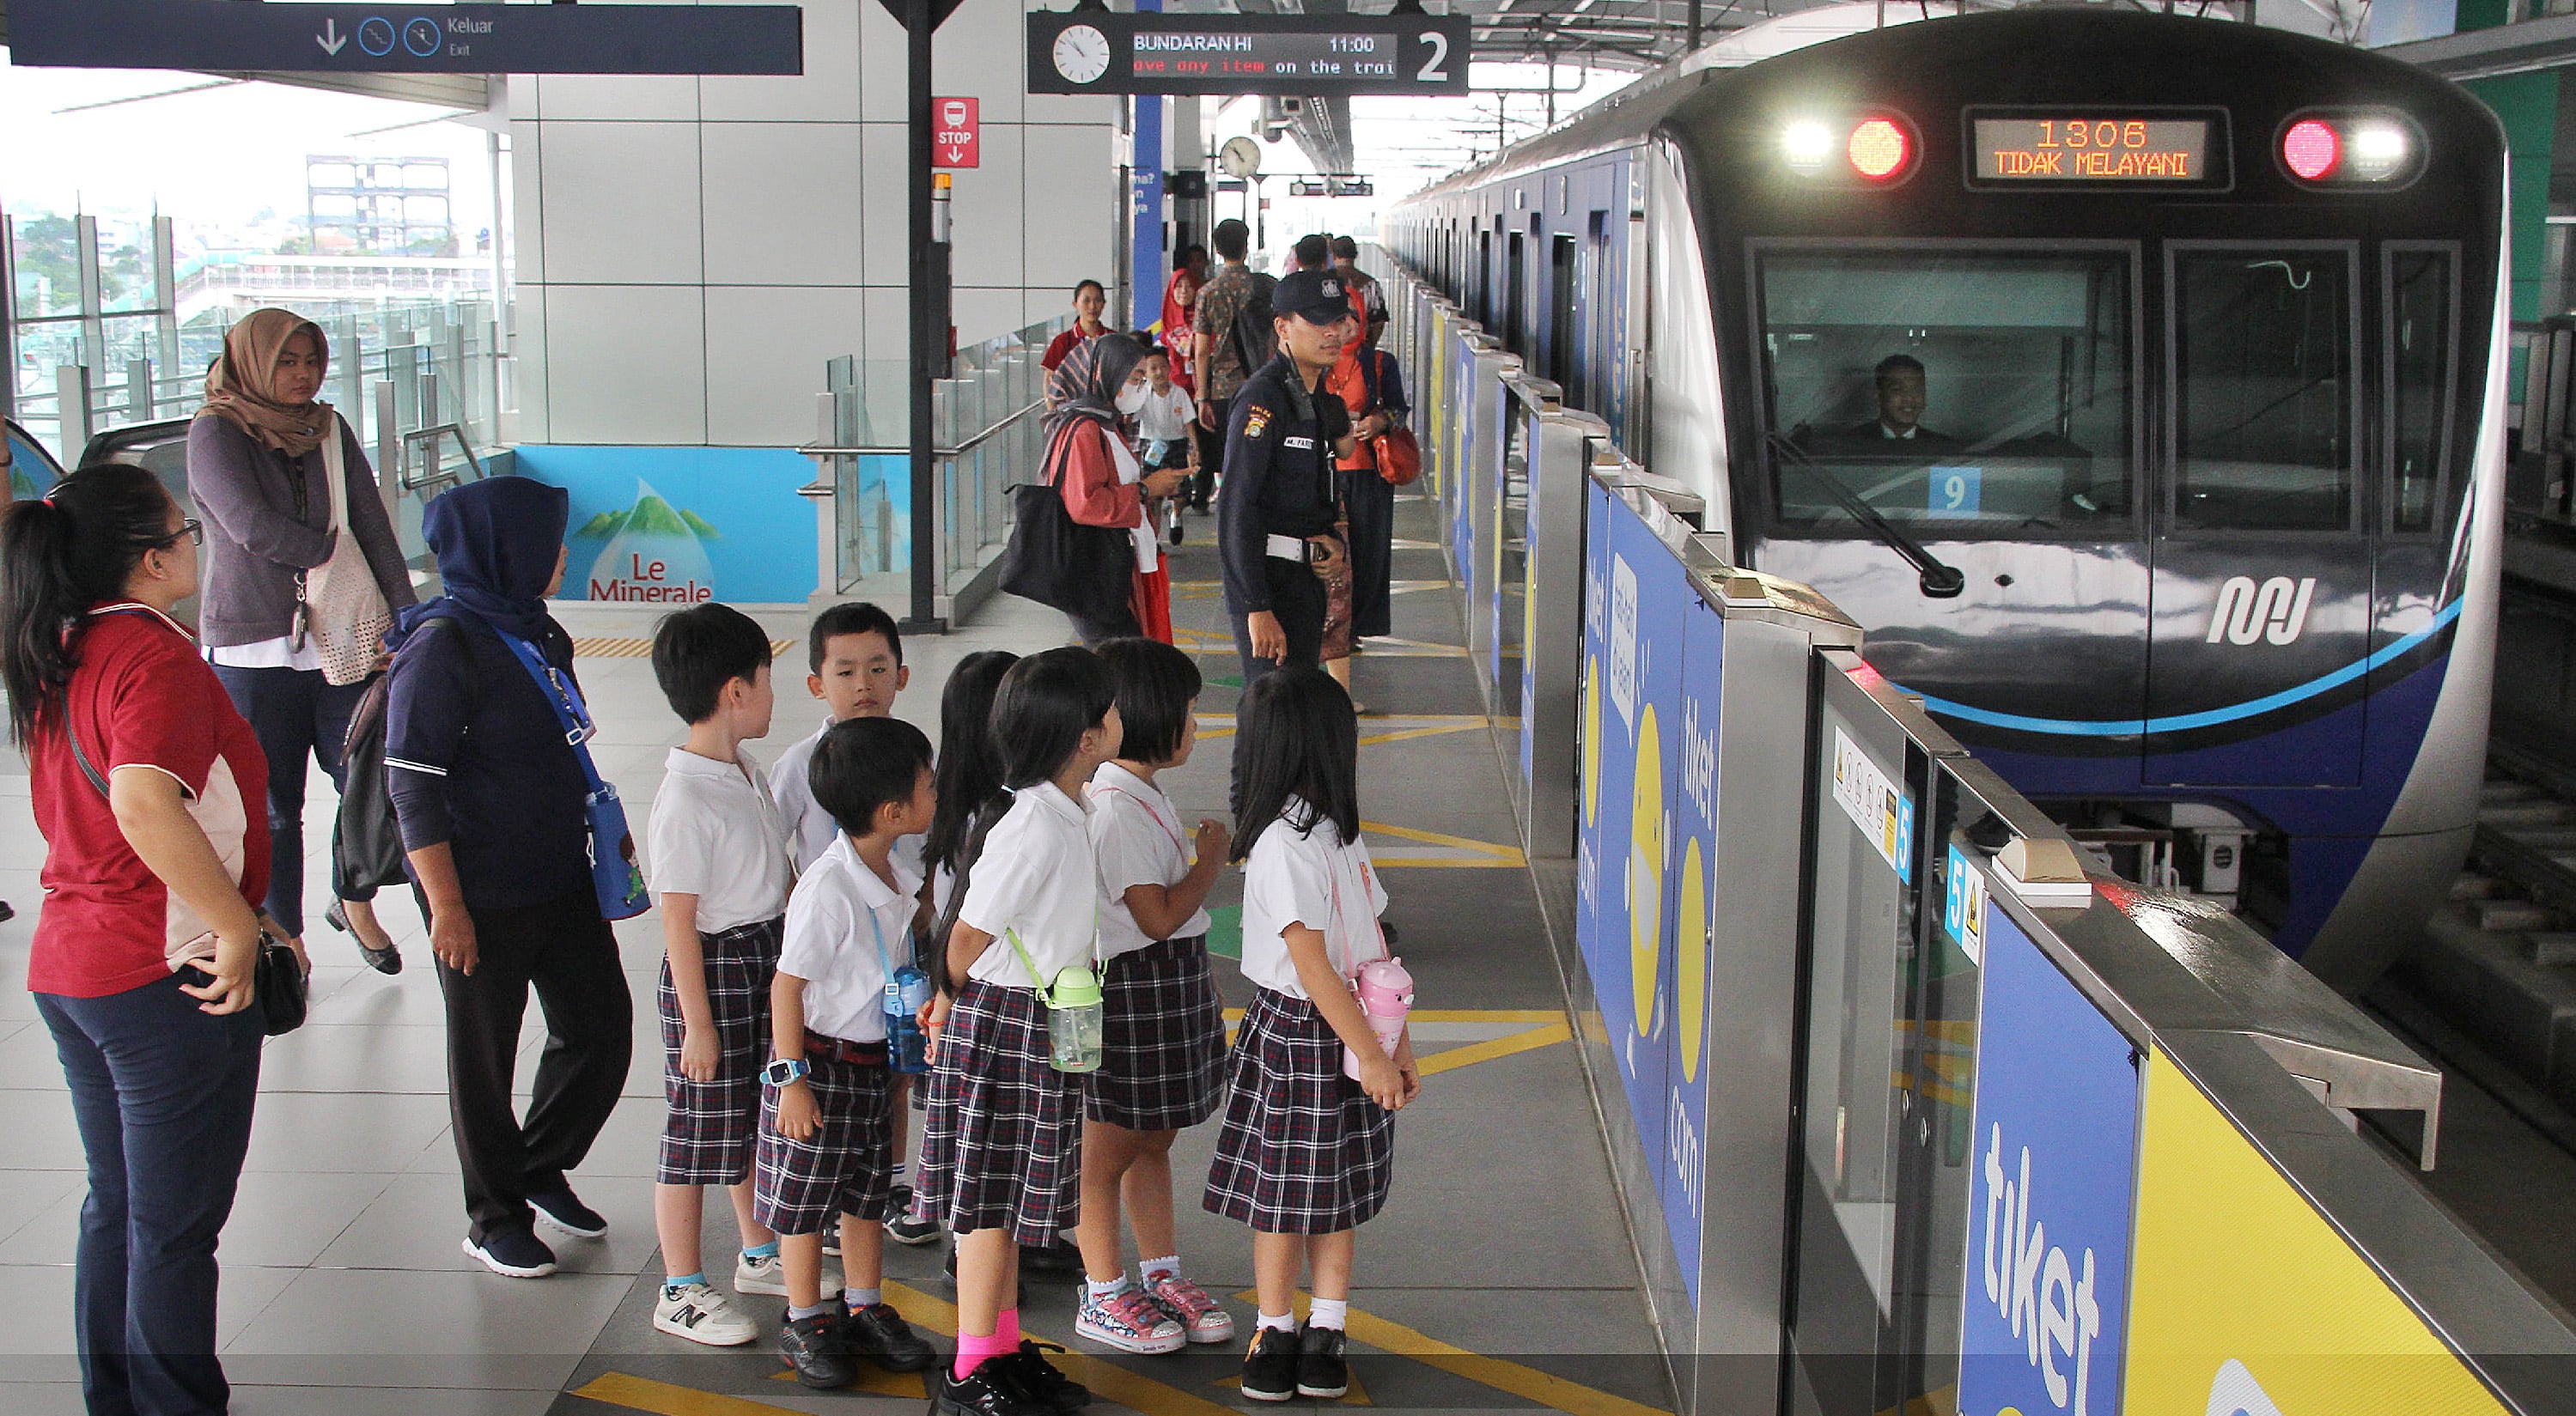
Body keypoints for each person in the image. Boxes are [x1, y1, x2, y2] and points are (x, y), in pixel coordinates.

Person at [3, 463, 292, 1416]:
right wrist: (229, 921)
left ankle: (116, 1396)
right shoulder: (154, 655)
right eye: (185, 528)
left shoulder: (64, 643)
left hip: (75, 966)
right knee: (172, 1228)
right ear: (149, 554)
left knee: (117, 1204)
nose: (194, 543)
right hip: (163, 977)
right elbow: (141, 799)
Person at [386, 476, 631, 1279]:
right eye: (547, 543)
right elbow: (411, 783)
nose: (561, 556)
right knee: (483, 1057)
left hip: (558, 870)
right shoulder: (442, 645)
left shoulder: (536, 630)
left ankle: (538, 1162)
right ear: (504, 551)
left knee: (599, 1028)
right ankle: (493, 1216)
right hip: (479, 890)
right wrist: (445, 906)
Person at [1207, 668, 1418, 1403]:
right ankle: (1275, 1325)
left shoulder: (1336, 833)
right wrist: (1368, 1052)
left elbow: (1372, 950)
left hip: (1357, 1022)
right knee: (1284, 1196)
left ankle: (1326, 1324)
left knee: (1334, 1192)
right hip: (1300, 1033)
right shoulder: (1282, 845)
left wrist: (1397, 1043)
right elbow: (1312, 965)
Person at [920, 647, 1122, 1416]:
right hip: (1006, 1023)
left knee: (1006, 1207)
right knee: (983, 1210)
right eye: (1109, 708)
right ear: (1085, 737)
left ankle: (1001, 1350)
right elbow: (966, 937)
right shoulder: (1031, 823)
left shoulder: (1071, 806)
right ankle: (971, 1372)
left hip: (1041, 1022)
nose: (1118, 716)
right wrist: (954, 1002)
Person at [189, 308, 417, 972]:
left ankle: (355, 900)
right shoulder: (215, 431)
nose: (302, 375)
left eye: (311, 361)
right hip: (253, 649)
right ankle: (285, 940)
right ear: (254, 362)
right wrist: (326, 549)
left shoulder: (329, 428)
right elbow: (249, 526)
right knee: (272, 807)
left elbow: (371, 522)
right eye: (287, 361)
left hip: (343, 641)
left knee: (368, 783)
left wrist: (406, 618)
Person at [755, 715, 942, 1388]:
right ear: (893, 811)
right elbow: (786, 986)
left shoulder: (889, 870)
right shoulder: (828, 888)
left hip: (871, 1065)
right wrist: (791, 1081)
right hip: (820, 1064)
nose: (936, 792)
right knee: (804, 1204)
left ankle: (862, 1305)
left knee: (866, 1196)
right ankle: (804, 1317)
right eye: (929, 784)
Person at [1072, 639, 1234, 1355]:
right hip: (1131, 989)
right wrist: (1209, 865)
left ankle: (1160, 1271)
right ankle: (1104, 1290)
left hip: (1165, 980)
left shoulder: (1139, 791)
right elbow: (1157, 915)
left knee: (1154, 1136)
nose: (1197, 723)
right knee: (1107, 1147)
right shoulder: (1115, 806)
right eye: (1189, 711)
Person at [644, 604, 799, 1347]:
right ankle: (677, 1286)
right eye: (768, 680)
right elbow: (678, 921)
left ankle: (759, 1253)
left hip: (761, 956)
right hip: (711, 967)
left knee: (752, 1113)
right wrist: (697, 1025)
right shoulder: (685, 796)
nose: (774, 695)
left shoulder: (742, 768)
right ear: (736, 689)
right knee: (699, 1129)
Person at [766, 601, 941, 1246]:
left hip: (898, 940)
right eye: (845, 671)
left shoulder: (911, 758)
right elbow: (772, 842)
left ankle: (888, 1182)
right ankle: (835, 1197)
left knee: (893, 1067)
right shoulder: (801, 764)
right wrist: (798, 898)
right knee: (845, 1075)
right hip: (831, 947)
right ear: (817, 682)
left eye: (877, 667)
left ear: (902, 673)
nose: (862, 684)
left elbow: (936, 850)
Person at [1218, 268, 1356, 689]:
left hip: (1303, 582)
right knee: (1269, 713)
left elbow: (1310, 494)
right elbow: (1237, 507)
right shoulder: (1264, 399)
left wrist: (1332, 541)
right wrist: (1255, 607)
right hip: (1269, 586)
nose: (1332, 333)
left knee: (1293, 714)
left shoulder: (1313, 397)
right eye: (1317, 322)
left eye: (1337, 320)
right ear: (1283, 327)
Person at [1047, 334, 1188, 647]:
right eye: (1135, 378)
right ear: (1105, 374)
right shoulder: (1086, 429)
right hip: (1097, 571)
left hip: (1111, 566)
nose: (1141, 387)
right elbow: (1085, 504)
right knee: (1121, 658)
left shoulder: (1105, 424)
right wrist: (1144, 489)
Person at [1325, 334, 1410, 672]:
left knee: (1367, 552)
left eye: (1350, 319)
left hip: (1368, 472)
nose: (1340, 328)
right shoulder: (1311, 361)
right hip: (1324, 469)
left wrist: (1380, 421)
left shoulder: (1379, 363)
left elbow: (1399, 411)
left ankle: (1352, 628)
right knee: (1330, 552)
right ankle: (1328, 625)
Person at [1192, 219, 1279, 511]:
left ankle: (1231, 511)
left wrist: (1202, 397)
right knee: (1259, 453)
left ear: (1217, 249)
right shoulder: (1266, 287)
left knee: (1227, 457)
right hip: (1262, 384)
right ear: (1246, 245)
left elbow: (1202, 350)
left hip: (1221, 390)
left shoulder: (1208, 292)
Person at [1120, 346, 1198, 557]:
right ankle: (1153, 540)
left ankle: (1177, 515)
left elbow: (1189, 422)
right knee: (1153, 496)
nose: (1158, 372)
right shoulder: (1142, 394)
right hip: (1151, 447)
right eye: (1153, 368)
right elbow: (1131, 423)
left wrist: (1195, 447)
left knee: (1180, 492)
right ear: (1146, 372)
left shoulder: (1179, 393)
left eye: (1163, 367)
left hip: (1177, 445)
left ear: (1170, 368)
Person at [1816, 354, 1960, 453]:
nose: (1908, 398)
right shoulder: (1849, 444)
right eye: (1898, 389)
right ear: (1878, 396)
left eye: (1916, 389)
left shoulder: (1945, 448)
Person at [1042, 281, 1115, 381]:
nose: (1092, 306)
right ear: (1075, 304)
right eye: (1086, 300)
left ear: (1103, 304)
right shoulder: (1062, 342)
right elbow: (1049, 378)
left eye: (1098, 300)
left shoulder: (1114, 339)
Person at [1331, 236, 1388, 349]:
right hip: (1360, 349)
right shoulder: (1371, 284)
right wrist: (1369, 347)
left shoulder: (1325, 282)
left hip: (1331, 349)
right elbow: (1379, 321)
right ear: (1356, 255)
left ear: (1333, 255)